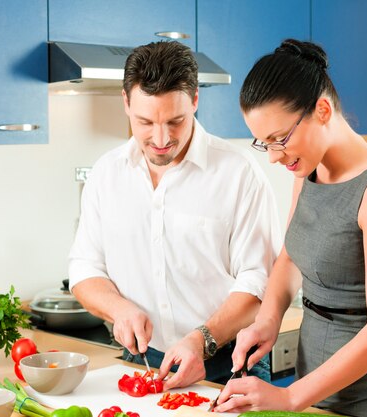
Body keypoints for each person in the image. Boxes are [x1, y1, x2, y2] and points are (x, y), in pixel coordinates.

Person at [213, 39, 367, 417]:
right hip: (314, 390)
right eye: (264, 144)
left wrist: (290, 397)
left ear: (322, 110)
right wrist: (268, 321)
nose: (275, 156)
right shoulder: (309, 168)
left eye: (280, 139)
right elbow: (291, 257)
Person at [67, 40, 281, 389]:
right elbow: (84, 268)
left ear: (195, 99)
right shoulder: (106, 174)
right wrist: (120, 309)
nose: (161, 138)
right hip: (143, 364)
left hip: (231, 364)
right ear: (125, 102)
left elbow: (260, 283)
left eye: (175, 120)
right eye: (145, 121)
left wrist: (202, 339)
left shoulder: (239, 173)